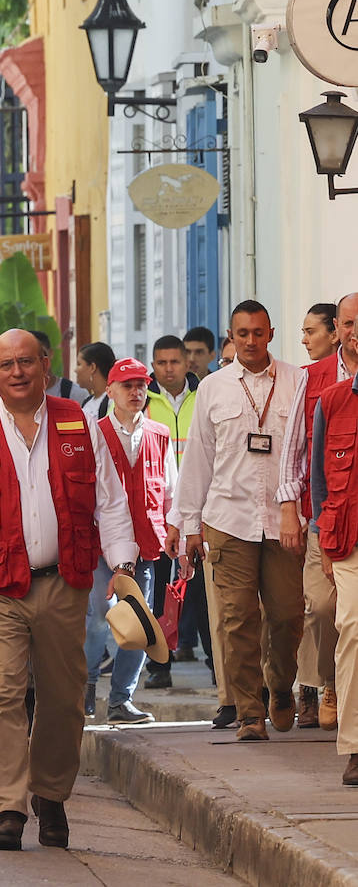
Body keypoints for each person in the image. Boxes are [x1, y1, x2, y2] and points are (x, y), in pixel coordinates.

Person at [0, 329, 138, 851]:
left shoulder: (79, 421)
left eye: (26, 362)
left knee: (64, 698)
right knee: (2, 695)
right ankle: (7, 809)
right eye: (6, 365)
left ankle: (50, 795)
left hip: (64, 583)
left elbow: (108, 501)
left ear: (46, 365)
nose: (17, 372)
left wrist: (124, 565)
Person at [174, 300, 305, 741]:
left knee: (287, 615)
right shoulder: (213, 387)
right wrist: (190, 525)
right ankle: (250, 712)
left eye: (258, 332)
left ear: (271, 333)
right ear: (231, 337)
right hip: (228, 519)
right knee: (237, 618)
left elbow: (305, 454)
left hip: (284, 520)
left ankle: (280, 687)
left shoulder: (296, 381)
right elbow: (198, 459)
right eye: (242, 334)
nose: (251, 341)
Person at [276, 292, 358, 730]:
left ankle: (331, 689)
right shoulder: (315, 381)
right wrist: (291, 507)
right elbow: (297, 449)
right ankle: (317, 682)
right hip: (325, 516)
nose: (353, 332)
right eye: (347, 324)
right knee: (322, 607)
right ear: (339, 330)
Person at [85, 358, 177, 725]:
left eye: (141, 385)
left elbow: (171, 490)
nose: (136, 391)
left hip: (145, 544)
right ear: (110, 391)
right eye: (127, 385)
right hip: (99, 546)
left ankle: (121, 700)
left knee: (141, 623)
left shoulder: (159, 434)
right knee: (95, 621)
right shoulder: (93, 434)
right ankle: (85, 688)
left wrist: (177, 532)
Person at [145, 335, 209, 694]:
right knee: (155, 596)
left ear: (187, 362)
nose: (168, 368)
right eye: (161, 362)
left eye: (175, 361)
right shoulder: (141, 399)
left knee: (202, 594)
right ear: (153, 365)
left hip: (199, 510)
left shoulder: (205, 395)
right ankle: (159, 667)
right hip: (157, 514)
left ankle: (217, 667)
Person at [306, 351, 358, 786]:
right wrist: (324, 536)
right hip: (348, 541)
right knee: (353, 628)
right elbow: (318, 479)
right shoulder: (332, 400)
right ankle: (357, 747)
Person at [31, 330, 90, 404]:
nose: (39, 360)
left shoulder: (75, 394)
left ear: (51, 353)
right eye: (30, 358)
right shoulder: (17, 396)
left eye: (43, 354)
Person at [74, 342, 116, 421]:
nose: (75, 370)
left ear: (92, 367)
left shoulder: (113, 402)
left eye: (79, 364)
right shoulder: (87, 401)